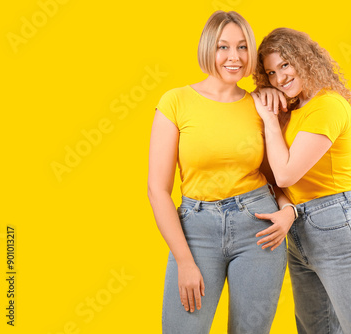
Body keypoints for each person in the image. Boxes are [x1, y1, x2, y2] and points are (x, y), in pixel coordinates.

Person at [147, 12, 296, 334]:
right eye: (223, 47)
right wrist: (185, 260)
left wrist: (288, 211)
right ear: (207, 49)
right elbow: (157, 190)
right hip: (196, 231)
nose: (234, 57)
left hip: (258, 230)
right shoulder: (176, 102)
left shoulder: (261, 104)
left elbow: (277, 176)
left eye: (243, 47)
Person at [251, 27, 351, 333]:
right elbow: (273, 177)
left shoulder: (328, 105)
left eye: (285, 65)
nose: (280, 78)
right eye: (271, 73)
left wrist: (269, 120)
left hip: (338, 230)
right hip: (299, 233)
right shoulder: (294, 112)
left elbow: (286, 173)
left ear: (305, 60)